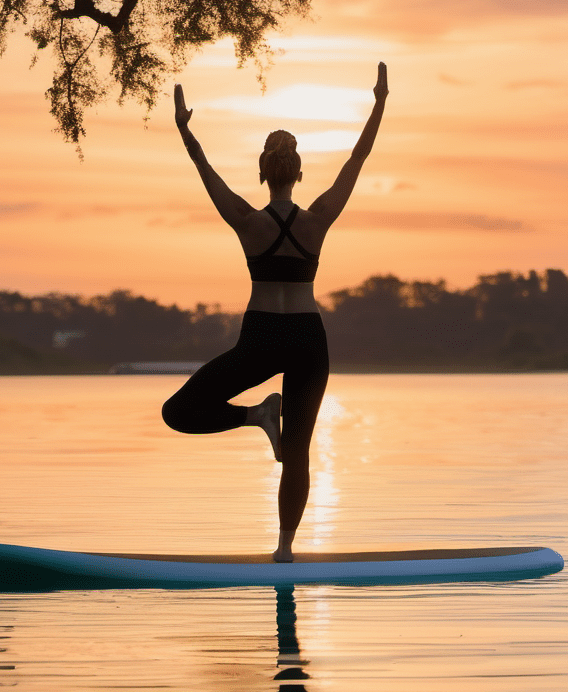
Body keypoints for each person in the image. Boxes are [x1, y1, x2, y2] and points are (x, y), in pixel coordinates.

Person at [162, 63, 388, 562]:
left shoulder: (246, 220)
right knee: (299, 452)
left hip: (261, 338)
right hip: (308, 339)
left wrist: (186, 131)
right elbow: (358, 158)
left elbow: (207, 174)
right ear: (300, 172)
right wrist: (378, 104)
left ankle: (255, 416)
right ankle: (284, 549)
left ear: (263, 173)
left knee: (177, 411)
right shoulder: (319, 220)